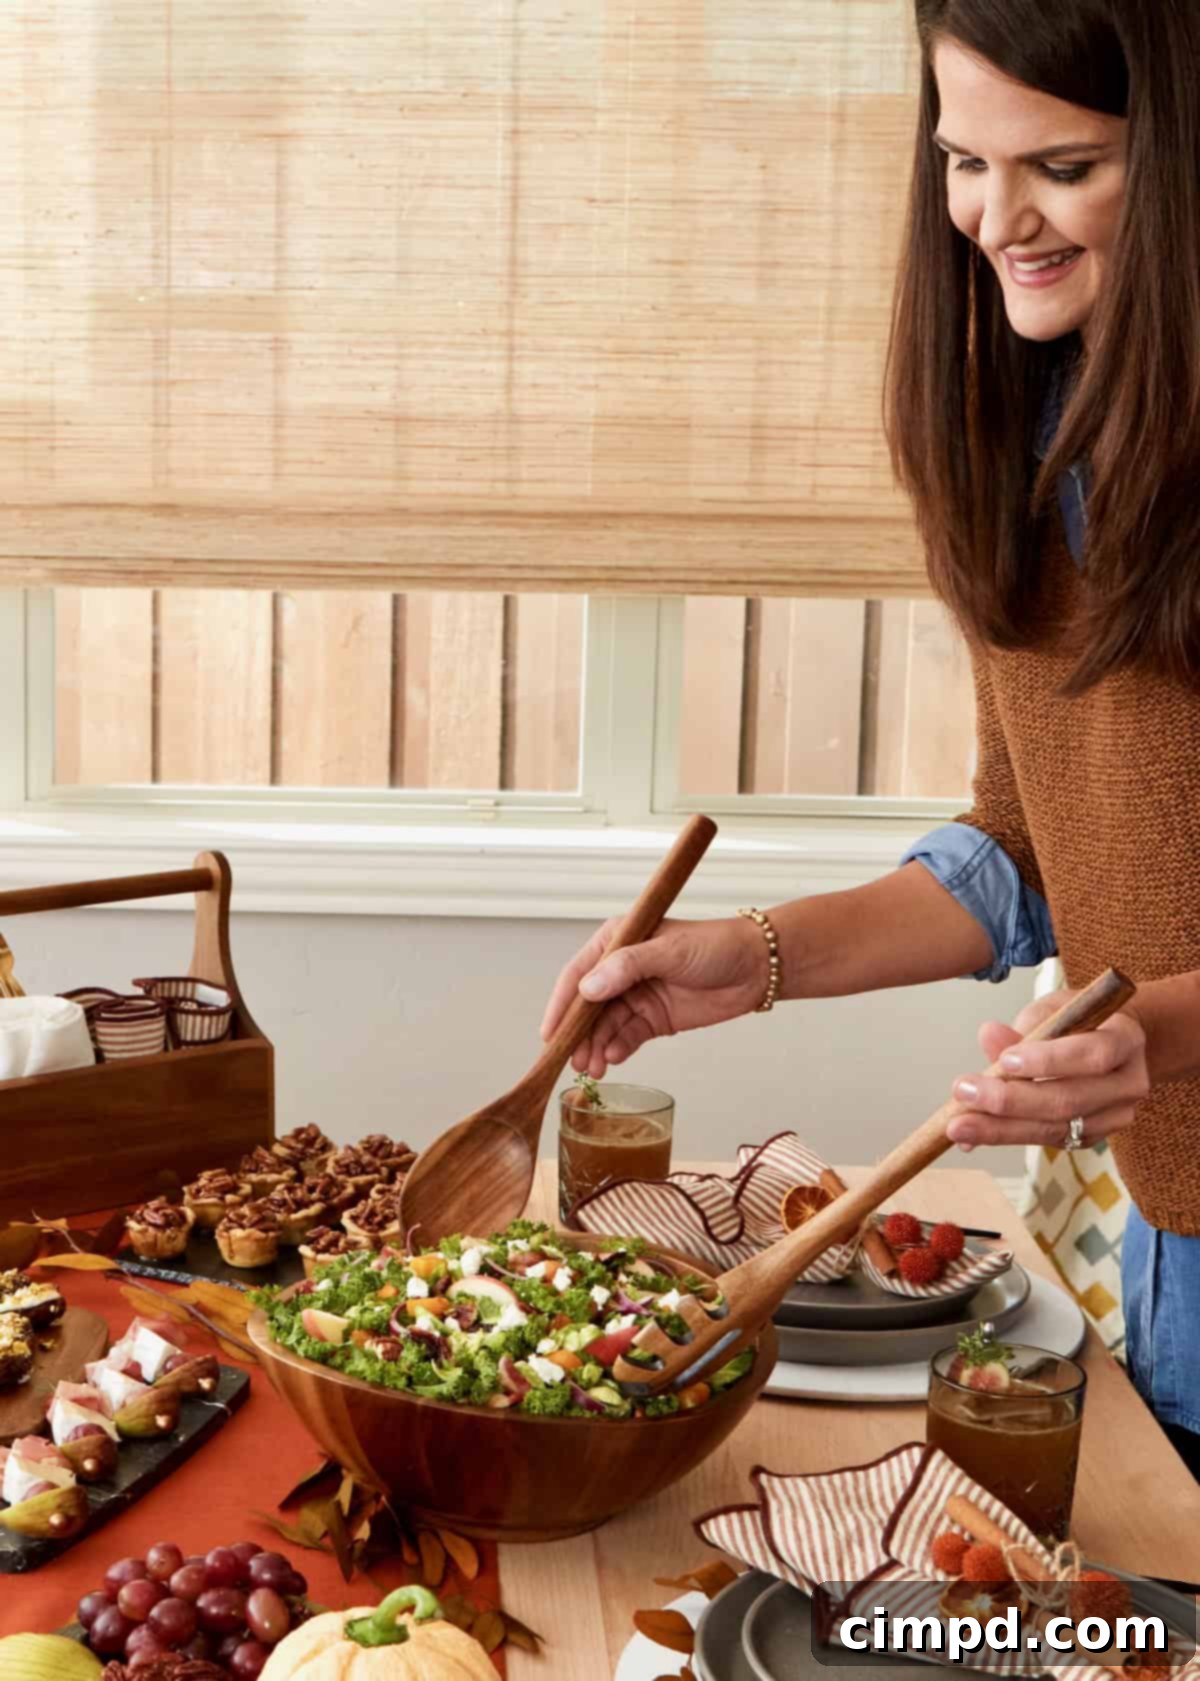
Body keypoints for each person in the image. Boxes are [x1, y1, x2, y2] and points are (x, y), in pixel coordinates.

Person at [540, 0, 1200, 1474]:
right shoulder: (1038, 433)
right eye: (963, 159)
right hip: (1143, 1237)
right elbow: (1028, 845)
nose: (995, 217)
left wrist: (1157, 1030)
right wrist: (754, 958)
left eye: (1067, 166)